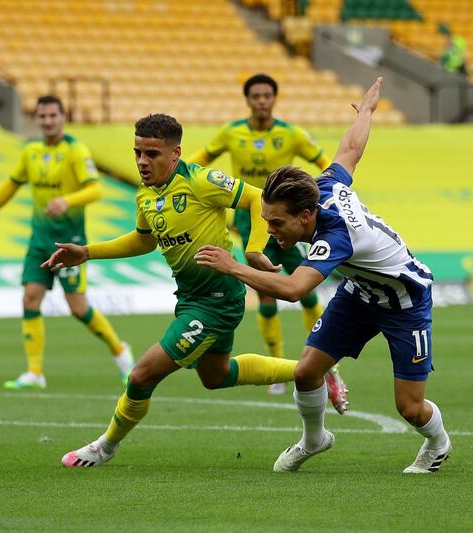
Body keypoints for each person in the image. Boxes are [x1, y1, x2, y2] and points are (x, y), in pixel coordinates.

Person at [42, 113, 347, 469]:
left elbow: (255, 197)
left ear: (176, 154)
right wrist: (88, 252)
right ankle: (312, 371)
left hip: (216, 302)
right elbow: (144, 240)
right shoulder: (146, 195)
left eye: (152, 153)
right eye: (138, 152)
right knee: (216, 377)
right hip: (190, 297)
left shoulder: (201, 181)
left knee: (141, 375)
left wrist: (252, 250)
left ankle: (104, 446)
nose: (142, 161)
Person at [195, 78, 451, 474]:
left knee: (409, 407)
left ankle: (438, 443)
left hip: (404, 301)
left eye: (276, 223)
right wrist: (366, 112)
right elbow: (350, 149)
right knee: (306, 371)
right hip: (360, 293)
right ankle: (314, 439)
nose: (270, 229)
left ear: (305, 216)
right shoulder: (324, 184)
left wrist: (233, 267)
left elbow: (296, 290)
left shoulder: (335, 236)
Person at [0, 95, 134, 389]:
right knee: (30, 298)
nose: (47, 121)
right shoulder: (30, 152)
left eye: (53, 115)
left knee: (78, 308)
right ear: (37, 119)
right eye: (42, 116)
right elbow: (10, 186)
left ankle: (120, 351)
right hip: (39, 239)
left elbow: (95, 190)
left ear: (63, 117)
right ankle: (35, 372)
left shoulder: (75, 150)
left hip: (70, 242)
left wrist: (66, 201)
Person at [189, 73, 332, 395]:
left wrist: (314, 196)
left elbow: (325, 164)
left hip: (291, 220)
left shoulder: (291, 134)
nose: (262, 101)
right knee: (266, 293)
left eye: (267, 95)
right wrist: (183, 174)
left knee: (306, 288)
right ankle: (276, 358)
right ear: (248, 100)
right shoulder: (231, 132)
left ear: (274, 99)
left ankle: (324, 358)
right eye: (256, 96)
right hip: (252, 220)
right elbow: (198, 161)